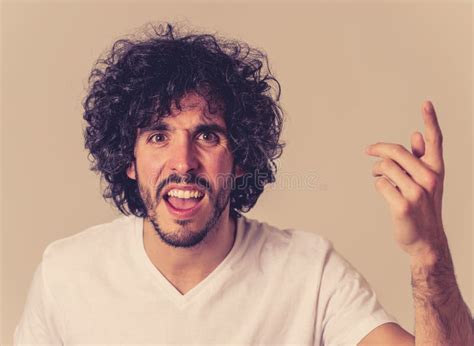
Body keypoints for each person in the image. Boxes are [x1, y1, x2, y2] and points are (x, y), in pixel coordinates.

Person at [14, 23, 472, 345]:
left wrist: (428, 253)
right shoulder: (66, 275)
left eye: (207, 135)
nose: (184, 163)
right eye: (158, 136)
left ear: (239, 157)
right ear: (128, 159)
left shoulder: (309, 273)